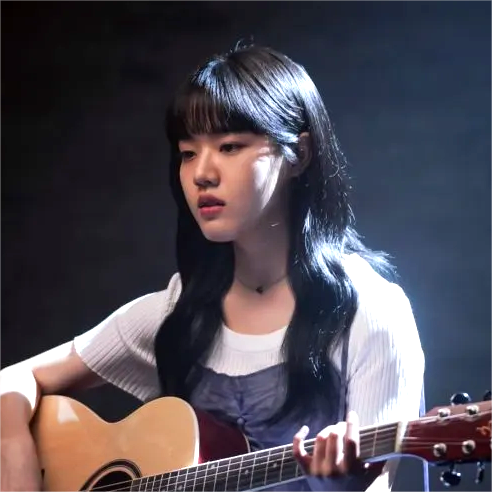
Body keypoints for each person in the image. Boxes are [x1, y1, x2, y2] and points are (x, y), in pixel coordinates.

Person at [0, 44, 425, 492]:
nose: (202, 173)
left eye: (229, 146)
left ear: (299, 155)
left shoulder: (370, 311)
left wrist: (347, 483)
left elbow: (384, 483)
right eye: (187, 153)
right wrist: (13, 453)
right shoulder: (180, 310)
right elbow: (13, 379)